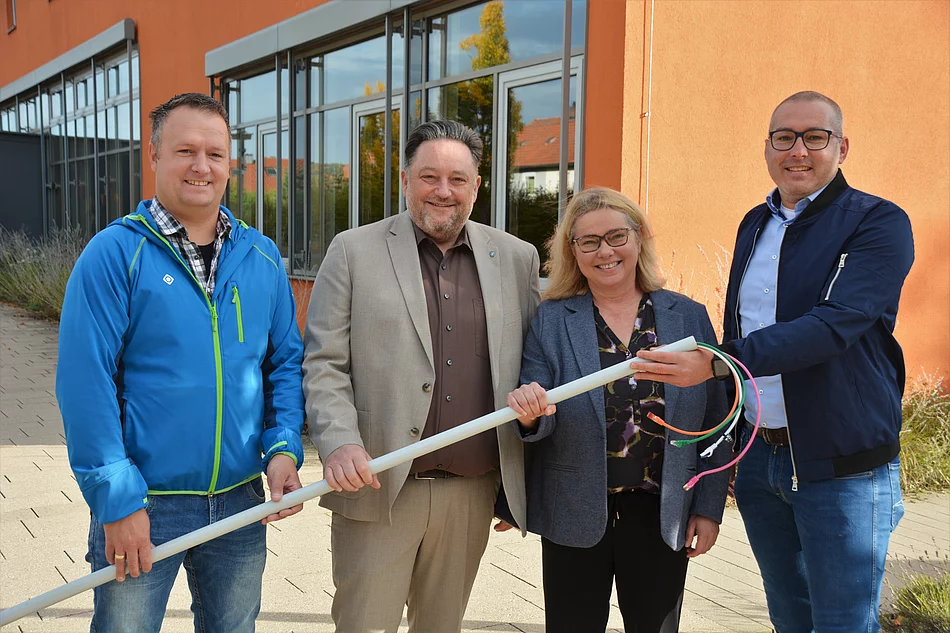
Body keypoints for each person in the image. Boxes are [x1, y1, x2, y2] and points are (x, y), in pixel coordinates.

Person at [636, 91, 914, 633]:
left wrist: (719, 362)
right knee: (789, 617)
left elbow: (835, 325)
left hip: (843, 463)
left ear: (842, 148)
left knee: (843, 623)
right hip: (762, 459)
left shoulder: (877, 222)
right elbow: (741, 326)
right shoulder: (754, 224)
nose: (798, 151)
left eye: (815, 137)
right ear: (767, 148)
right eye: (784, 138)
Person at [56, 92, 306, 633]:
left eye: (215, 154)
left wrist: (284, 447)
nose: (201, 166)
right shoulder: (114, 254)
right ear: (154, 155)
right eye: (185, 151)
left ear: (230, 163)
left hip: (240, 502)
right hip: (145, 502)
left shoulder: (260, 256)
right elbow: (85, 383)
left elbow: (283, 364)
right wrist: (117, 501)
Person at [302, 119, 540, 633]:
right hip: (378, 485)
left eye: (458, 179)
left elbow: (531, 367)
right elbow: (324, 363)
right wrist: (339, 441)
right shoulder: (352, 251)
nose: (443, 191)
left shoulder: (517, 259)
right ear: (405, 179)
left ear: (477, 186)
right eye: (429, 176)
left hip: (471, 494)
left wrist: (521, 481)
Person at [506, 187, 731, 633]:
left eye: (616, 237)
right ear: (573, 251)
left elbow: (717, 423)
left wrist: (708, 509)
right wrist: (529, 413)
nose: (604, 251)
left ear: (639, 237)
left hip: (662, 513)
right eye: (588, 241)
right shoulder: (553, 320)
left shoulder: (687, 316)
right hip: (574, 510)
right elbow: (534, 410)